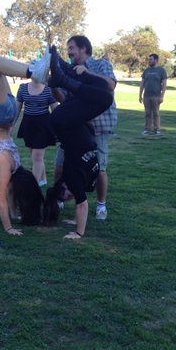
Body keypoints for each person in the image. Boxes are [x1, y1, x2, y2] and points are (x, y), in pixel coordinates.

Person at [44, 46, 113, 240]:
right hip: (71, 122)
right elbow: (79, 205)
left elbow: (82, 204)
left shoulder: (72, 178)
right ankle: (63, 68)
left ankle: (62, 78)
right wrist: (75, 220)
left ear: (64, 184)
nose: (72, 195)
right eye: (69, 198)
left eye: (67, 194)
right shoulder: (86, 185)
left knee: (106, 99)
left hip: (62, 122)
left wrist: (78, 232)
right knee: (102, 87)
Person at [0, 50, 51, 235]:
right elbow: (7, 194)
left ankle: (34, 71)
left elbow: (2, 199)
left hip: (4, 115)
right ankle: (34, 70)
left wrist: (9, 227)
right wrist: (13, 218)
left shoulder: (11, 164)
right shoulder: (6, 165)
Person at [16, 77, 57, 186]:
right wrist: (10, 125)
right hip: (28, 125)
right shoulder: (23, 88)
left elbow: (56, 110)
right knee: (35, 156)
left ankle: (33, 186)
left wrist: (60, 126)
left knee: (37, 156)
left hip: (43, 125)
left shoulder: (48, 89)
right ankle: (43, 179)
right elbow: (17, 109)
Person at [139, 54, 168, 136]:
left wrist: (162, 96)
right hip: (146, 96)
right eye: (148, 59)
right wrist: (140, 95)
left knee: (156, 114)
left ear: (156, 60)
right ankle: (147, 129)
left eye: (151, 59)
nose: (149, 61)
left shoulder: (161, 70)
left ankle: (157, 129)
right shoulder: (146, 71)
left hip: (156, 96)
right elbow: (142, 83)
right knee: (147, 114)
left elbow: (164, 84)